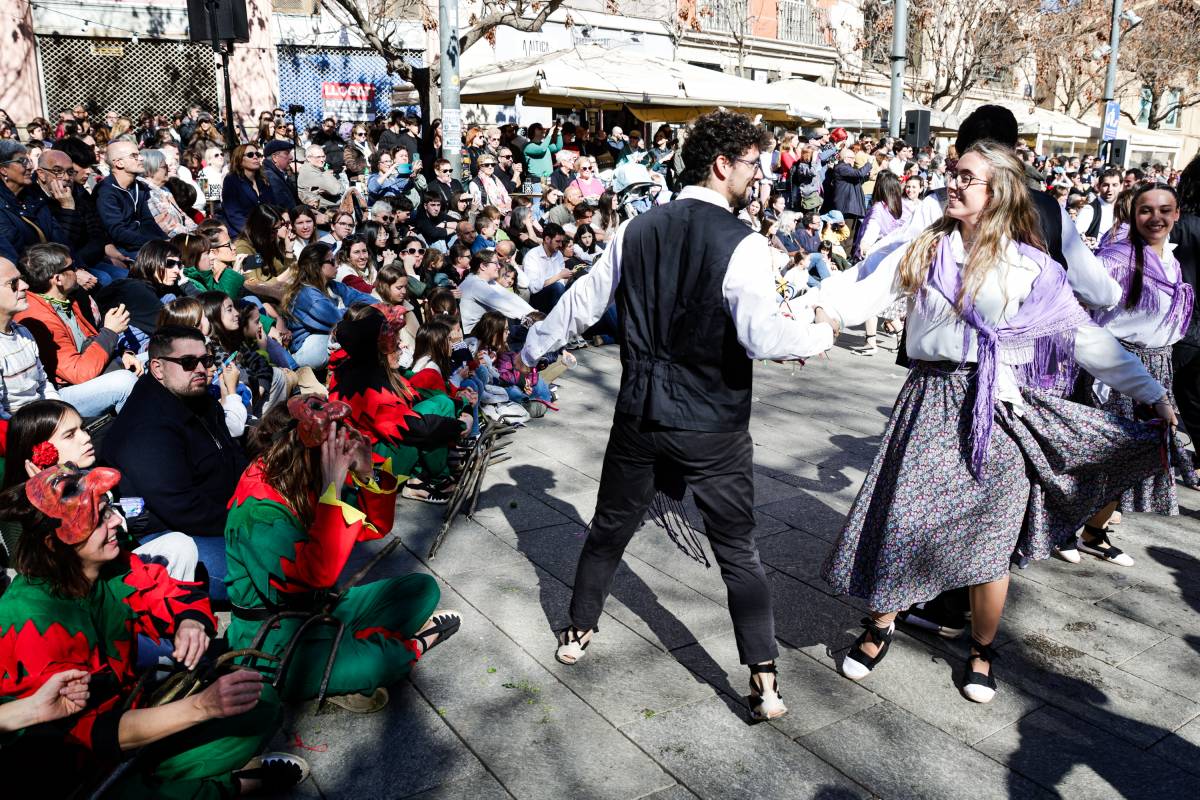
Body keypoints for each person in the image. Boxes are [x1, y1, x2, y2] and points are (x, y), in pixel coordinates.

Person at [812, 141, 1174, 704]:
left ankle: (981, 650)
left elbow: (1086, 340)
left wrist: (1151, 393)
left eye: (966, 178)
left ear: (999, 193)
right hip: (929, 401)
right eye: (953, 175)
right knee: (905, 521)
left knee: (991, 538)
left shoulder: (1033, 268)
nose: (952, 184)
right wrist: (826, 313)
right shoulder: (926, 247)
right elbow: (866, 289)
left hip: (998, 411)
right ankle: (881, 623)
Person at [518, 110, 839, 721]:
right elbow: (763, 335)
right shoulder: (741, 241)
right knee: (738, 551)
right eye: (752, 164)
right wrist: (820, 331)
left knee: (608, 528)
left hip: (641, 412)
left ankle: (577, 631)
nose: (759, 176)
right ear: (722, 165)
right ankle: (764, 682)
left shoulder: (637, 228)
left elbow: (582, 302)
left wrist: (532, 349)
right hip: (711, 423)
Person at [0, 464, 308, 797]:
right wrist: (203, 707)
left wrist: (191, 622)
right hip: (69, 770)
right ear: (53, 542)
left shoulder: (108, 568)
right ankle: (232, 785)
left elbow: (172, 592)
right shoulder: (29, 619)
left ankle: (170, 776)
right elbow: (88, 735)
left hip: (130, 724)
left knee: (259, 702)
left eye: (109, 511)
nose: (117, 521)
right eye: (101, 517)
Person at [224, 398, 461, 712]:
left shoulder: (302, 477)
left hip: (317, 610)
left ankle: (347, 649)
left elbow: (375, 527)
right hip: (272, 640)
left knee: (421, 589)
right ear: (304, 449)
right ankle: (412, 644)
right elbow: (315, 574)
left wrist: (367, 474)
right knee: (384, 662)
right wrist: (331, 486)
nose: (342, 451)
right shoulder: (258, 509)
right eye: (335, 444)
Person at [1080, 184, 1196, 550]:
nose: (1156, 218)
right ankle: (1072, 530)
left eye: (1165, 210)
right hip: (1119, 368)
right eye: (1146, 210)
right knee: (1105, 461)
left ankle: (1093, 532)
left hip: (1158, 368)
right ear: (1134, 215)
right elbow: (1082, 307)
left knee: (1136, 462)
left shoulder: (1172, 260)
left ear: (1176, 214)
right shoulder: (1116, 259)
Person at [101, 325, 247, 594]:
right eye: (188, 362)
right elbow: (180, 505)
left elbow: (234, 455)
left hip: (219, 515)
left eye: (206, 360)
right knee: (260, 571)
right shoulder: (146, 425)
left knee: (281, 549)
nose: (201, 369)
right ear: (157, 368)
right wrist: (241, 522)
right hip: (170, 534)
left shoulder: (200, 399)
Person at [14, 244, 139, 417]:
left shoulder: (66, 298)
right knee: (124, 382)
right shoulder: (38, 319)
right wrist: (111, 332)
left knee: (157, 359)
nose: (78, 270)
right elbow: (79, 373)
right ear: (58, 279)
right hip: (62, 394)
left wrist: (123, 354)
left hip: (93, 372)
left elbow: (91, 341)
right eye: (72, 267)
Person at [282, 242, 374, 369]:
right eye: (331, 261)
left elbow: (365, 298)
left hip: (325, 340)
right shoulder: (308, 294)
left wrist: (372, 307)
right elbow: (339, 318)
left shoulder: (332, 285)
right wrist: (363, 309)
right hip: (307, 352)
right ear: (317, 266)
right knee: (355, 330)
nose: (337, 265)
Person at [95, 239, 189, 349]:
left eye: (179, 265)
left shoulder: (155, 287)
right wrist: (185, 285)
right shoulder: (135, 289)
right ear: (152, 261)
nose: (177, 270)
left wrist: (183, 283)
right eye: (170, 264)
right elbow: (180, 328)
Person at [94, 141, 167, 259]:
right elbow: (117, 232)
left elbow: (148, 221)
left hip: (140, 244)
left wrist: (164, 240)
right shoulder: (106, 192)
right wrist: (155, 243)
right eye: (134, 156)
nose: (141, 158)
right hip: (119, 249)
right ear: (119, 163)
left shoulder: (139, 187)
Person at [459, 248, 536, 332]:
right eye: (496, 263)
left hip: (487, 330)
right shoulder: (475, 284)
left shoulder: (487, 281)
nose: (499, 267)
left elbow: (511, 297)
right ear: (483, 266)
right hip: (474, 337)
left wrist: (534, 312)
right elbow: (505, 306)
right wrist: (534, 319)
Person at [141, 149, 196, 237]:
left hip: (182, 238)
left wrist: (197, 230)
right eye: (164, 166)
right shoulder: (147, 193)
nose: (168, 168)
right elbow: (167, 228)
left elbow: (183, 216)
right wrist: (194, 236)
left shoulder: (165, 190)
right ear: (149, 171)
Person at [220, 144, 271, 237]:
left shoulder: (263, 180)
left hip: (265, 232)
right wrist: (253, 233)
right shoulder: (231, 180)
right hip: (242, 234)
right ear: (239, 160)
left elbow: (272, 207)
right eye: (250, 155)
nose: (255, 157)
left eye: (257, 154)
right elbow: (234, 214)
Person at [1076, 168, 1122, 248]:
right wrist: (1085, 240)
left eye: (1114, 185)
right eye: (1105, 185)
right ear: (1098, 187)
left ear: (1121, 187)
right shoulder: (1090, 209)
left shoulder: (1123, 209)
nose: (1110, 189)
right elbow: (1076, 234)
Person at [296, 145, 343, 213]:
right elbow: (335, 190)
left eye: (323, 156)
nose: (322, 160)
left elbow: (340, 189)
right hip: (324, 211)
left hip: (331, 207)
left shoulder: (316, 168)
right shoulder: (309, 172)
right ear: (308, 158)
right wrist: (327, 173)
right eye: (318, 157)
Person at [262, 139, 299, 208]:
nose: (291, 157)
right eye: (286, 153)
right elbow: (284, 206)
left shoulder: (280, 173)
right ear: (275, 157)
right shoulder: (270, 177)